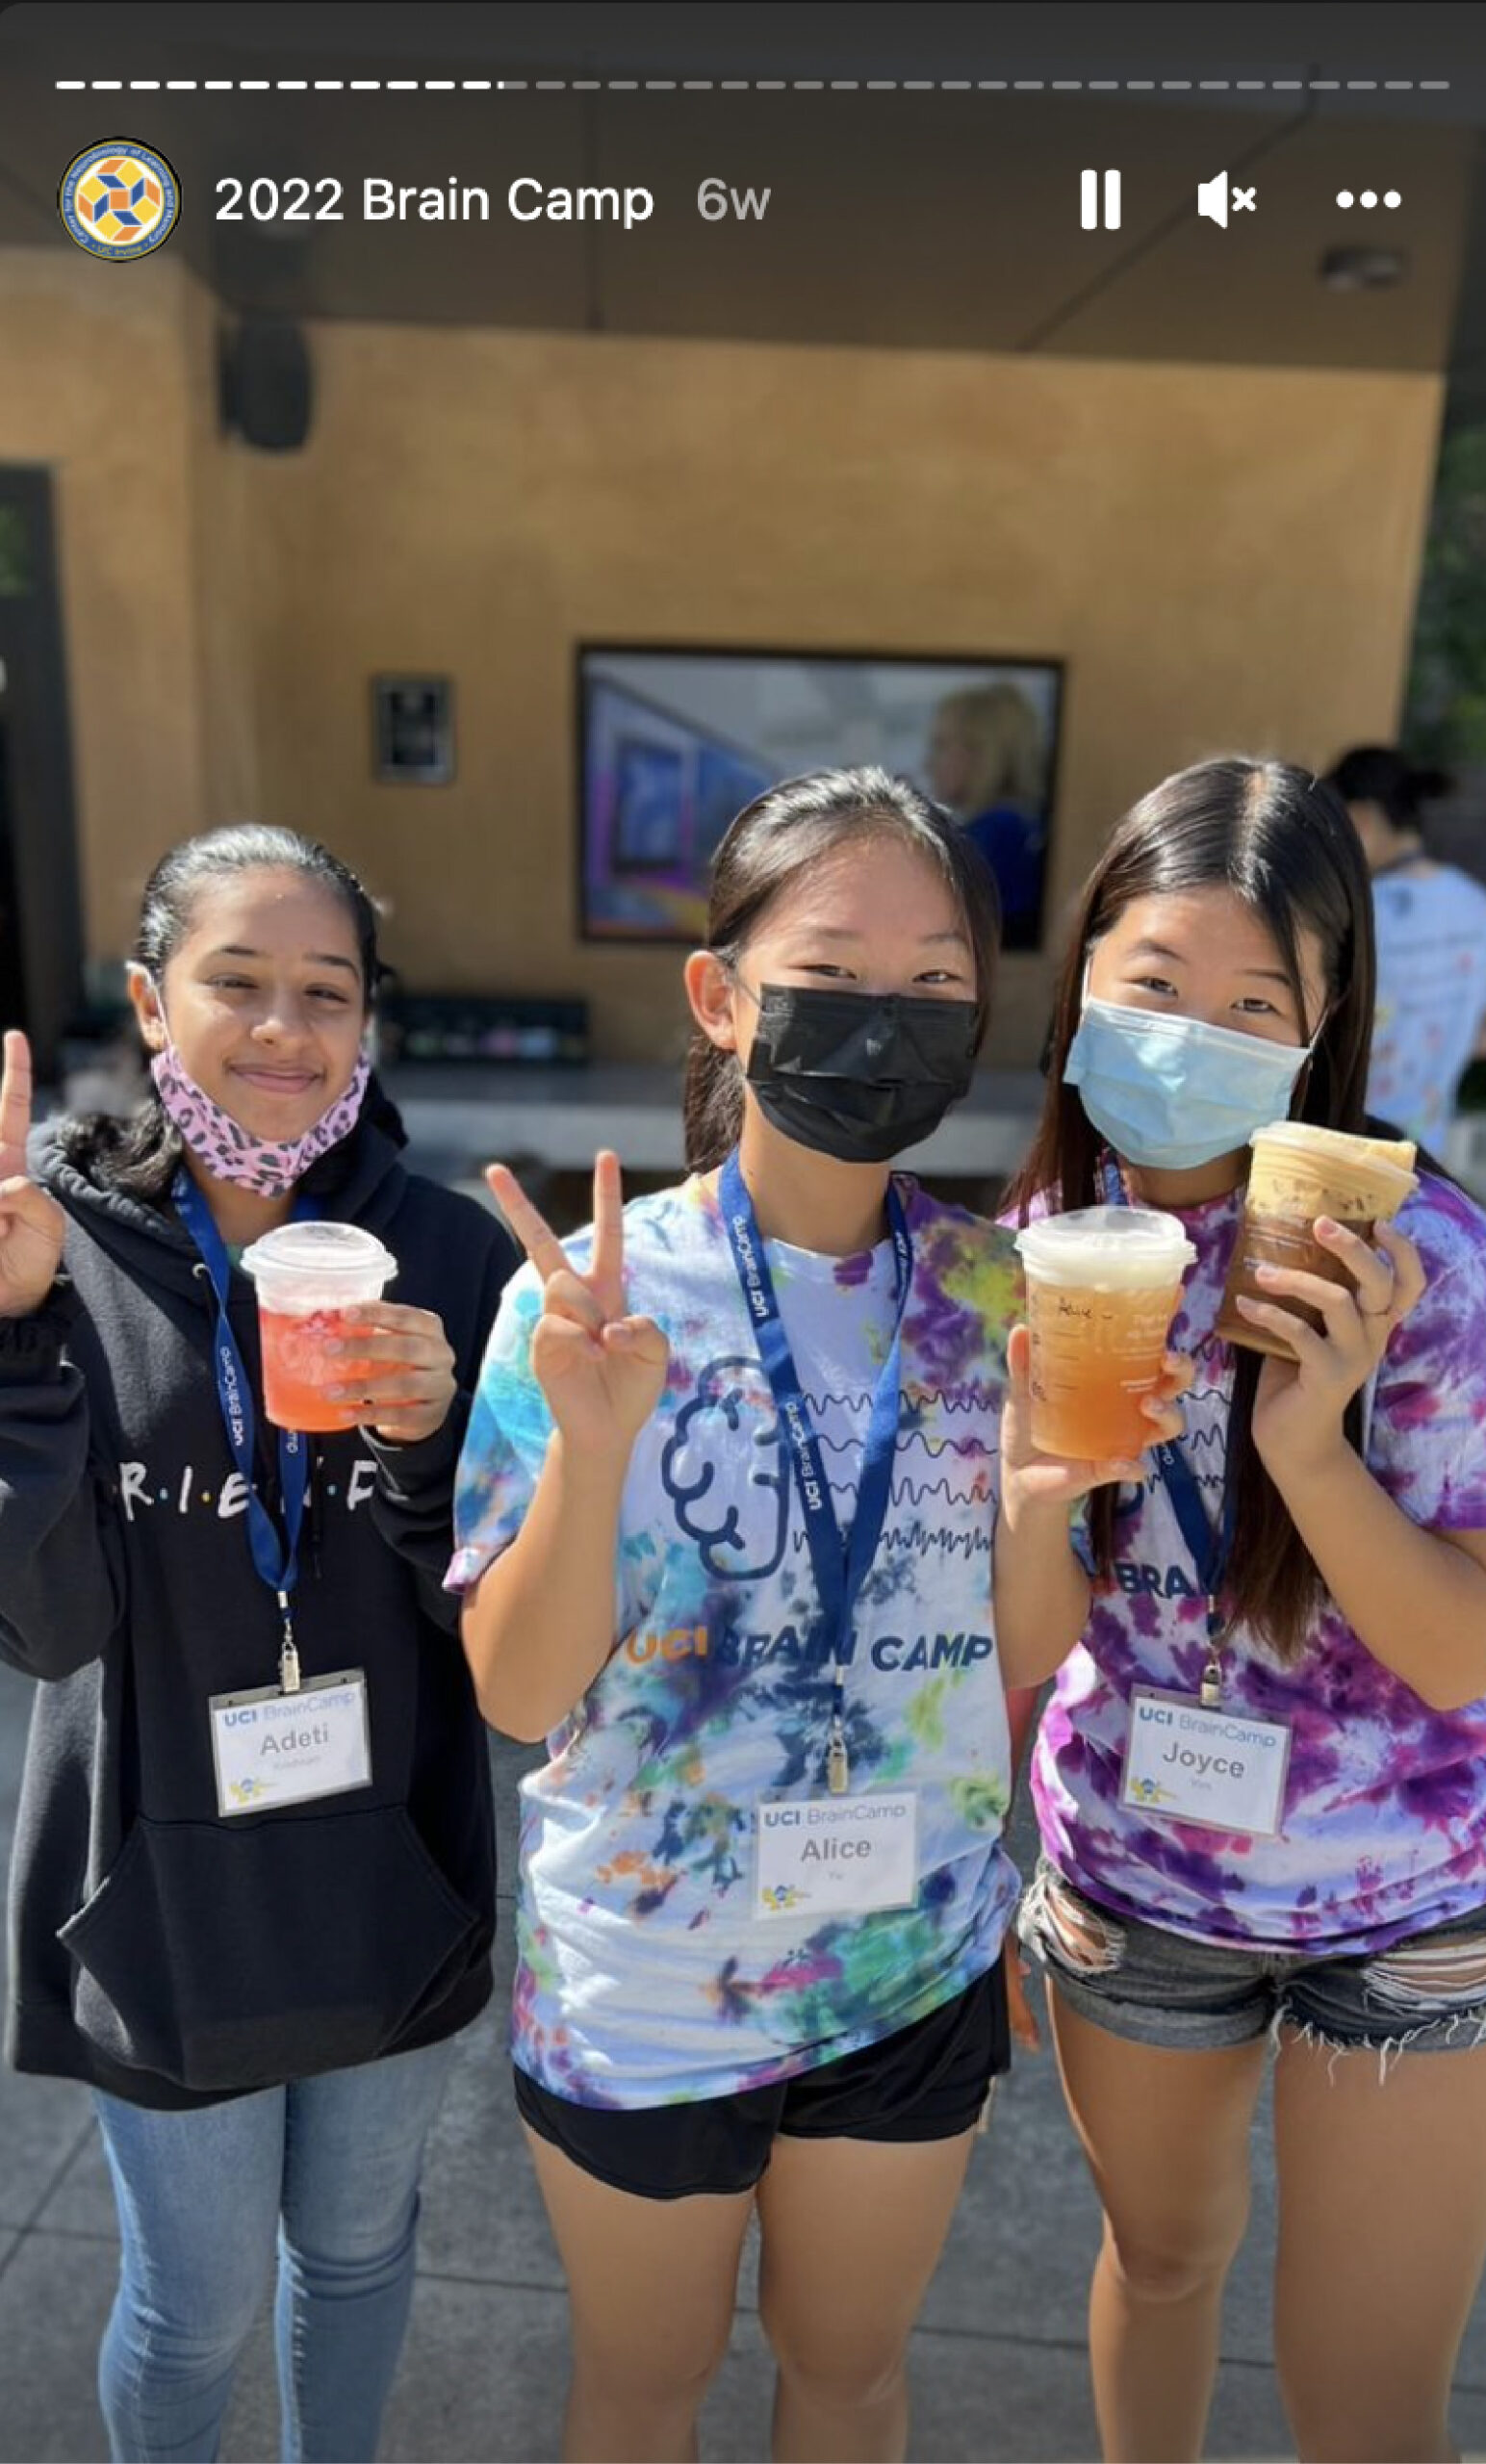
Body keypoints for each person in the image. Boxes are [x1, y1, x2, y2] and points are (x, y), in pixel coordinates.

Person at [446, 764, 1187, 2464]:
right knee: (643, 2386)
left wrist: (1025, 1506)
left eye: (937, 985)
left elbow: (1020, 1651)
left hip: (907, 1960)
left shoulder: (1007, 1293)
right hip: (645, 1981)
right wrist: (589, 1446)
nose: (888, 1019)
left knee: (847, 2376)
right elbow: (516, 1691)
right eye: (835, 970)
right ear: (722, 998)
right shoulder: (584, 1304)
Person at [997, 757, 1486, 2464]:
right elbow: (1026, 1637)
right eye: (1153, 985)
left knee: (1362, 2407)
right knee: (1161, 2262)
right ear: (1082, 975)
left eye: (1251, 1002)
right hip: (1138, 1873)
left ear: (1321, 1022)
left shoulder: (1417, 1260)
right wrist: (1035, 1495)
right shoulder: (1042, 1241)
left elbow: (1455, 1652)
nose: (1189, 1033)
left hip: (1409, 1897)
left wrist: (1305, 1444)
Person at [0, 826, 517, 2464]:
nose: (287, 1029)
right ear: (154, 1002)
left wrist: (435, 1446)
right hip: (161, 1891)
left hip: (386, 1870)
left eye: (328, 990)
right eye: (240, 983)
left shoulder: (451, 1260)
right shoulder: (55, 1257)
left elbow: (509, 1626)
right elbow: (49, 1625)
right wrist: (12, 1347)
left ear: (371, 1023)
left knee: (359, 2259)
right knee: (195, 2306)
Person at [1328, 745, 1486, 1161]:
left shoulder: (1358, 908)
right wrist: (1437, 1046)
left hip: (1341, 1148)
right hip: (1427, 1158)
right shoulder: (1473, 902)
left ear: (1362, 818)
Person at [925, 681, 1050, 952]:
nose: (928, 763)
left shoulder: (997, 833)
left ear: (981, 752)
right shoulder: (1022, 825)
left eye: (941, 745)